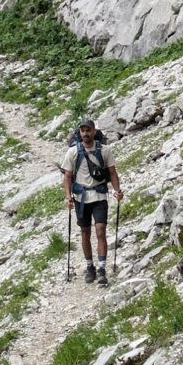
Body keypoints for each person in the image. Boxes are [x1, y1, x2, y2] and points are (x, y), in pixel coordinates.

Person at [62, 117, 123, 287]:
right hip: (81, 198)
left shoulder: (105, 150)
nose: (86, 133)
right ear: (80, 133)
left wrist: (117, 191)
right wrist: (68, 197)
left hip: (99, 196)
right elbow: (66, 177)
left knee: (101, 230)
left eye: (88, 130)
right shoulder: (72, 153)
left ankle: (102, 268)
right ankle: (90, 266)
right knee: (85, 232)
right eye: (83, 130)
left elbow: (112, 172)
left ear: (94, 132)